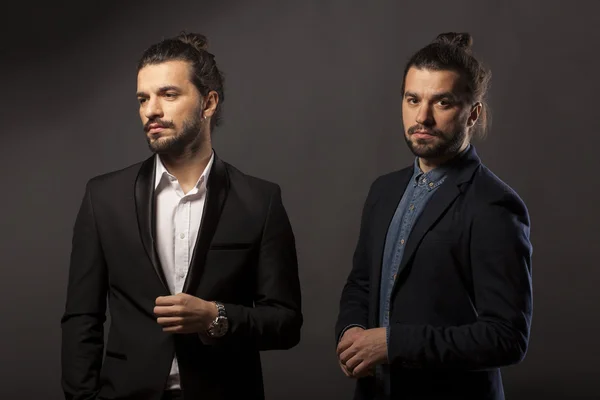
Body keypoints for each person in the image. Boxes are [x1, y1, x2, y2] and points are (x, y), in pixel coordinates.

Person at [61, 32, 302, 400]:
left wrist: (215, 317)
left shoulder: (260, 200)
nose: (151, 110)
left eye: (168, 95)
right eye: (143, 98)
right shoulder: (103, 197)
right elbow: (82, 318)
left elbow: (286, 323)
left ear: (208, 103)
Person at [335, 32, 533, 400]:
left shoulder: (494, 205)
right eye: (413, 100)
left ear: (472, 114)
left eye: (442, 102)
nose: (422, 116)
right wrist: (351, 332)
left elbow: (507, 337)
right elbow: (361, 283)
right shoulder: (383, 190)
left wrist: (394, 344)